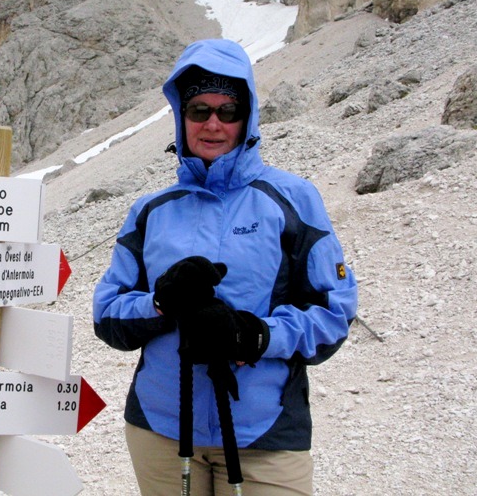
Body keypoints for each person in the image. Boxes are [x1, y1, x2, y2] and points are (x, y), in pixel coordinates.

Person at [92, 39, 358, 495]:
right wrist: (160, 303)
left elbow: (334, 314)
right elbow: (106, 313)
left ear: (247, 116)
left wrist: (257, 335)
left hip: (265, 433)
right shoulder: (151, 210)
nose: (213, 123)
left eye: (228, 110)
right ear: (181, 116)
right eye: (199, 110)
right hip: (161, 429)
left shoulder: (292, 199)